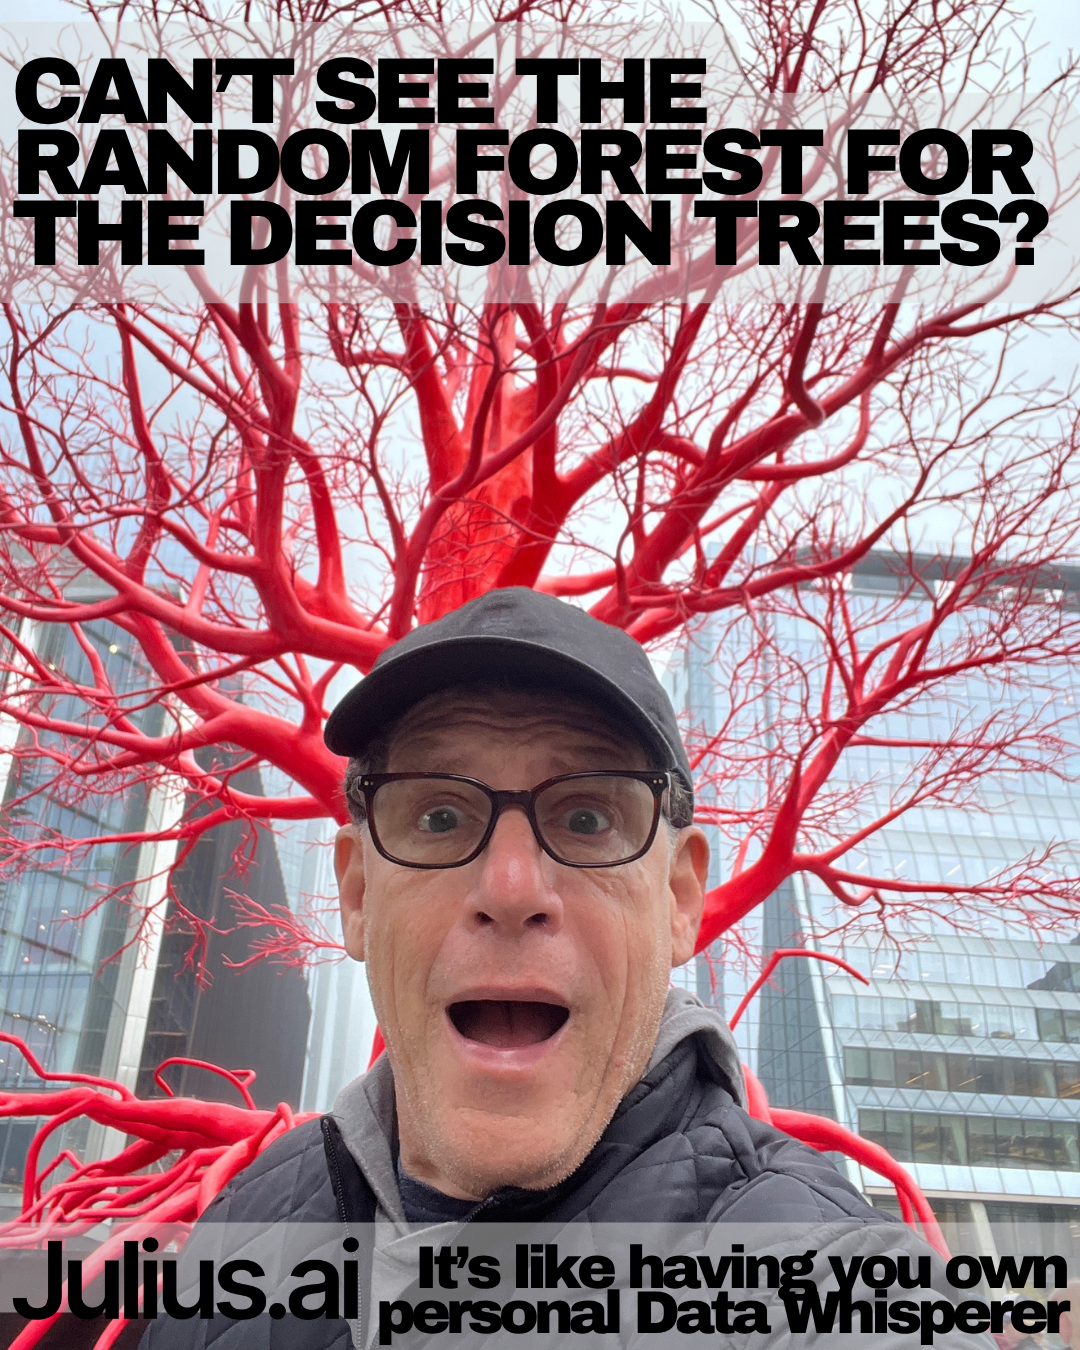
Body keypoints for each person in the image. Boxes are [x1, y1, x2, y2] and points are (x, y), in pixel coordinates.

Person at [141, 588, 981, 1349]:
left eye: (587, 815)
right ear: (357, 894)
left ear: (681, 897)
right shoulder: (238, 1229)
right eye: (439, 814)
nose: (511, 890)